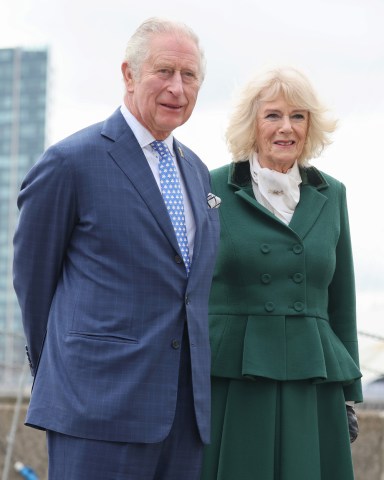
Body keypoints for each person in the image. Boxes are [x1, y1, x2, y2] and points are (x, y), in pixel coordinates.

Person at [13, 17, 220, 480]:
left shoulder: (198, 173)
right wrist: (69, 378)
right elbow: (33, 282)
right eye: (164, 71)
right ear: (129, 74)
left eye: (189, 77)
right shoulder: (70, 162)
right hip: (96, 411)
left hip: (183, 416)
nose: (177, 88)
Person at [200, 66, 362, 480]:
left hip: (313, 380)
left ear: (311, 126)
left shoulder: (333, 193)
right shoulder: (210, 188)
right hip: (233, 378)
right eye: (272, 115)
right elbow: (189, 292)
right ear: (251, 124)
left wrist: (349, 396)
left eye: (298, 116)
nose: (286, 128)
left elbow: (341, 301)